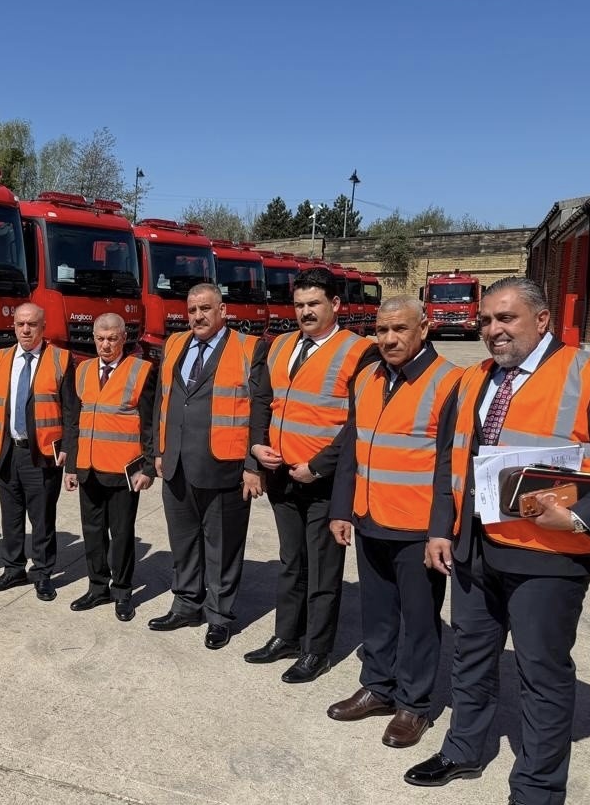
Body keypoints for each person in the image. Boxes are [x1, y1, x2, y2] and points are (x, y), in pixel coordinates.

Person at [406, 277, 590, 804]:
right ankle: (463, 750)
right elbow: (450, 461)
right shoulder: (472, 379)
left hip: (548, 557)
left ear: (542, 320)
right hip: (474, 548)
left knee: (541, 672)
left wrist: (583, 518)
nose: (492, 330)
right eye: (486, 321)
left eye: (506, 318)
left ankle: (537, 789)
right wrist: (439, 529)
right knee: (470, 657)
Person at [326, 296, 460, 748]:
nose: (388, 339)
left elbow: (450, 464)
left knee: (419, 620)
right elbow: (352, 446)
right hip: (369, 518)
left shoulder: (448, 382)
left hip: (417, 529)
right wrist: (341, 509)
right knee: (377, 613)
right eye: (381, 330)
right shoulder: (367, 377)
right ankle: (378, 687)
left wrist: (440, 529)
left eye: (399, 329)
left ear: (424, 327)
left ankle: (413, 705)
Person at [247, 266, 376, 682]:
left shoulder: (359, 352)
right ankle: (286, 635)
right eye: (299, 304)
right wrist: (257, 447)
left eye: (314, 304)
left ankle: (316, 650)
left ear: (335, 304)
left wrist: (318, 466)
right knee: (291, 561)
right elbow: (262, 400)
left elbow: (359, 422)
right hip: (282, 475)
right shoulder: (280, 344)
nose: (305, 312)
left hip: (324, 481)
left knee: (322, 569)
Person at [149, 283, 265, 649]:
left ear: (222, 310)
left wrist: (253, 465)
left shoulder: (249, 348)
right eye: (192, 310)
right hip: (177, 462)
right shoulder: (173, 345)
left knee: (223, 546)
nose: (198, 316)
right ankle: (186, 604)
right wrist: (158, 450)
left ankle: (219, 615)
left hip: (225, 465)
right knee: (183, 541)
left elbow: (259, 410)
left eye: (205, 309)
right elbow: (162, 400)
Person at [62, 313, 156, 622]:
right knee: (92, 532)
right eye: (101, 339)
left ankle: (122, 591)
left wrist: (148, 469)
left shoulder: (141, 371)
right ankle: (97, 587)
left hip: (123, 471)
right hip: (88, 468)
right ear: (93, 339)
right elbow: (74, 422)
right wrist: (71, 466)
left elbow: (150, 426)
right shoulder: (82, 370)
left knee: (122, 533)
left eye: (112, 339)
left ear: (124, 339)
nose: (106, 345)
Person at [0, 302, 73, 601]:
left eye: (32, 324)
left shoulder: (61, 359)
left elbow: (71, 410)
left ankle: (42, 573)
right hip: (7, 450)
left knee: (42, 518)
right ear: (14, 326)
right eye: (20, 324)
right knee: (11, 516)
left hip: (42, 454)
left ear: (43, 327)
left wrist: (69, 449)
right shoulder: (1, 358)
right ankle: (13, 569)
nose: (26, 330)